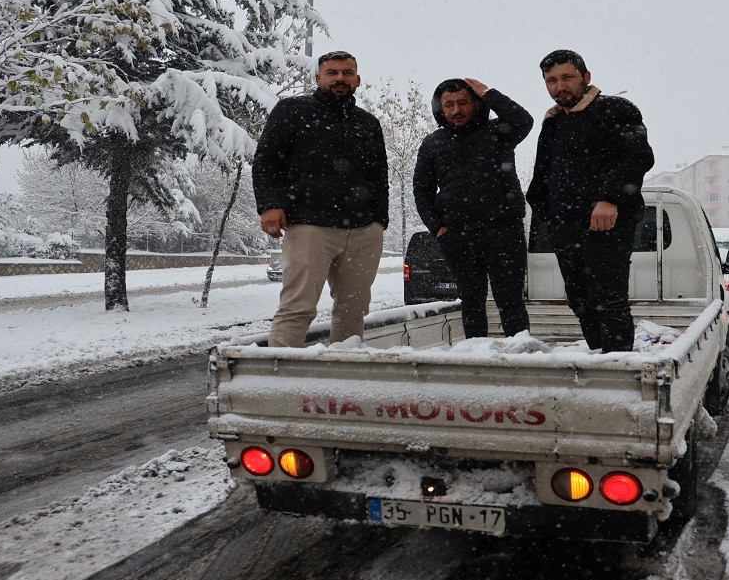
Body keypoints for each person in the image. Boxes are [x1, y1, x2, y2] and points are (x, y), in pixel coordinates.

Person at [251, 51, 388, 348]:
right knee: (297, 308)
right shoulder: (292, 110)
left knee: (354, 310)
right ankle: (279, 381)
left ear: (357, 80)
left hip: (363, 230)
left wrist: (379, 220)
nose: (340, 78)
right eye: (332, 72)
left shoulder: (367, 123)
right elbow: (266, 160)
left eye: (347, 73)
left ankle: (343, 380)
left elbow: (378, 175)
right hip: (310, 224)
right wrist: (270, 204)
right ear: (318, 78)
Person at [525, 50, 654, 353]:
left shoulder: (614, 109)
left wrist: (610, 200)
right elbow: (541, 175)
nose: (560, 86)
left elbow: (639, 156)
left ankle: (619, 369)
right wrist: (547, 216)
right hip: (565, 227)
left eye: (567, 77)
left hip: (608, 222)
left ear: (586, 77)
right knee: (579, 300)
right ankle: (600, 359)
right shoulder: (554, 122)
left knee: (608, 299)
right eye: (551, 80)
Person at [414, 78, 534, 338]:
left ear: (476, 104)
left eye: (463, 102)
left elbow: (524, 120)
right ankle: (476, 358)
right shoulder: (433, 143)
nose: (456, 110)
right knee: (471, 301)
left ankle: (520, 359)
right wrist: (437, 228)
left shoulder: (499, 132)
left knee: (510, 300)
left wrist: (489, 93)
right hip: (458, 235)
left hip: (504, 230)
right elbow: (422, 191)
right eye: (449, 104)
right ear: (441, 109)